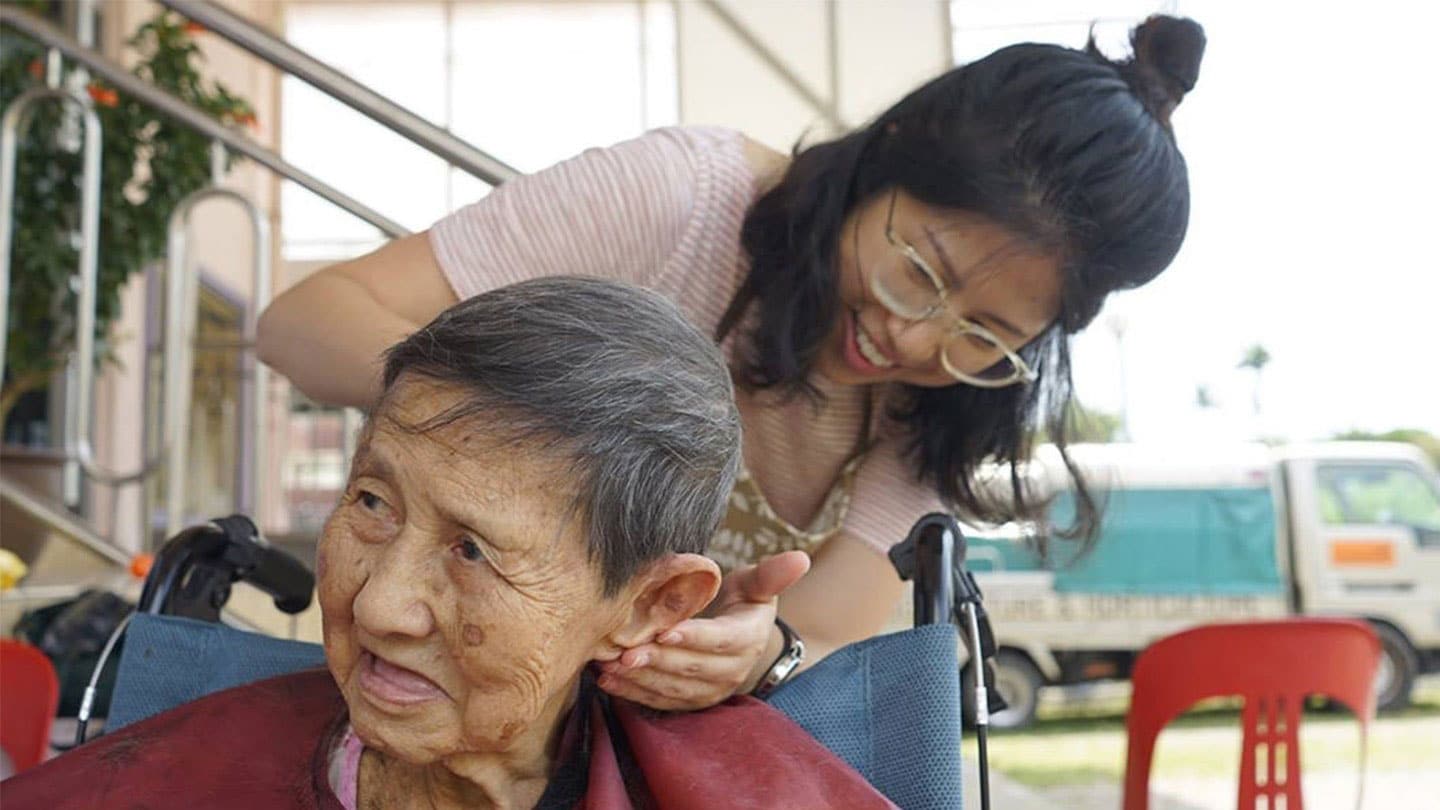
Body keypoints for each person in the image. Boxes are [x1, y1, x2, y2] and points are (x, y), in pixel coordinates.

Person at [258, 16, 1207, 711]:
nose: (916, 340)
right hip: (432, 692)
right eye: (920, 269)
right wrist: (513, 419)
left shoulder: (943, 409)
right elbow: (304, 322)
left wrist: (763, 653)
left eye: (987, 334)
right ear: (889, 157)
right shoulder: (691, 197)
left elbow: (831, 627)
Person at [2, 278, 896, 809]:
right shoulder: (169, 781)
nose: (376, 605)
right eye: (371, 502)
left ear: (651, 606)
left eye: (474, 550)